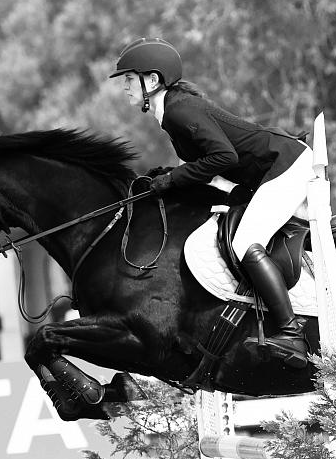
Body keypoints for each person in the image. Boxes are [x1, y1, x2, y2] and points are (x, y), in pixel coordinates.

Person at [109, 36, 312, 368]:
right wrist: (169, 178)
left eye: (129, 79)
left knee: (246, 242)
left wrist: (173, 179)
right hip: (269, 170)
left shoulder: (178, 110)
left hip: (285, 164)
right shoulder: (171, 110)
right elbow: (209, 166)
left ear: (153, 80)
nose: (125, 87)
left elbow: (224, 156)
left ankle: (292, 335)